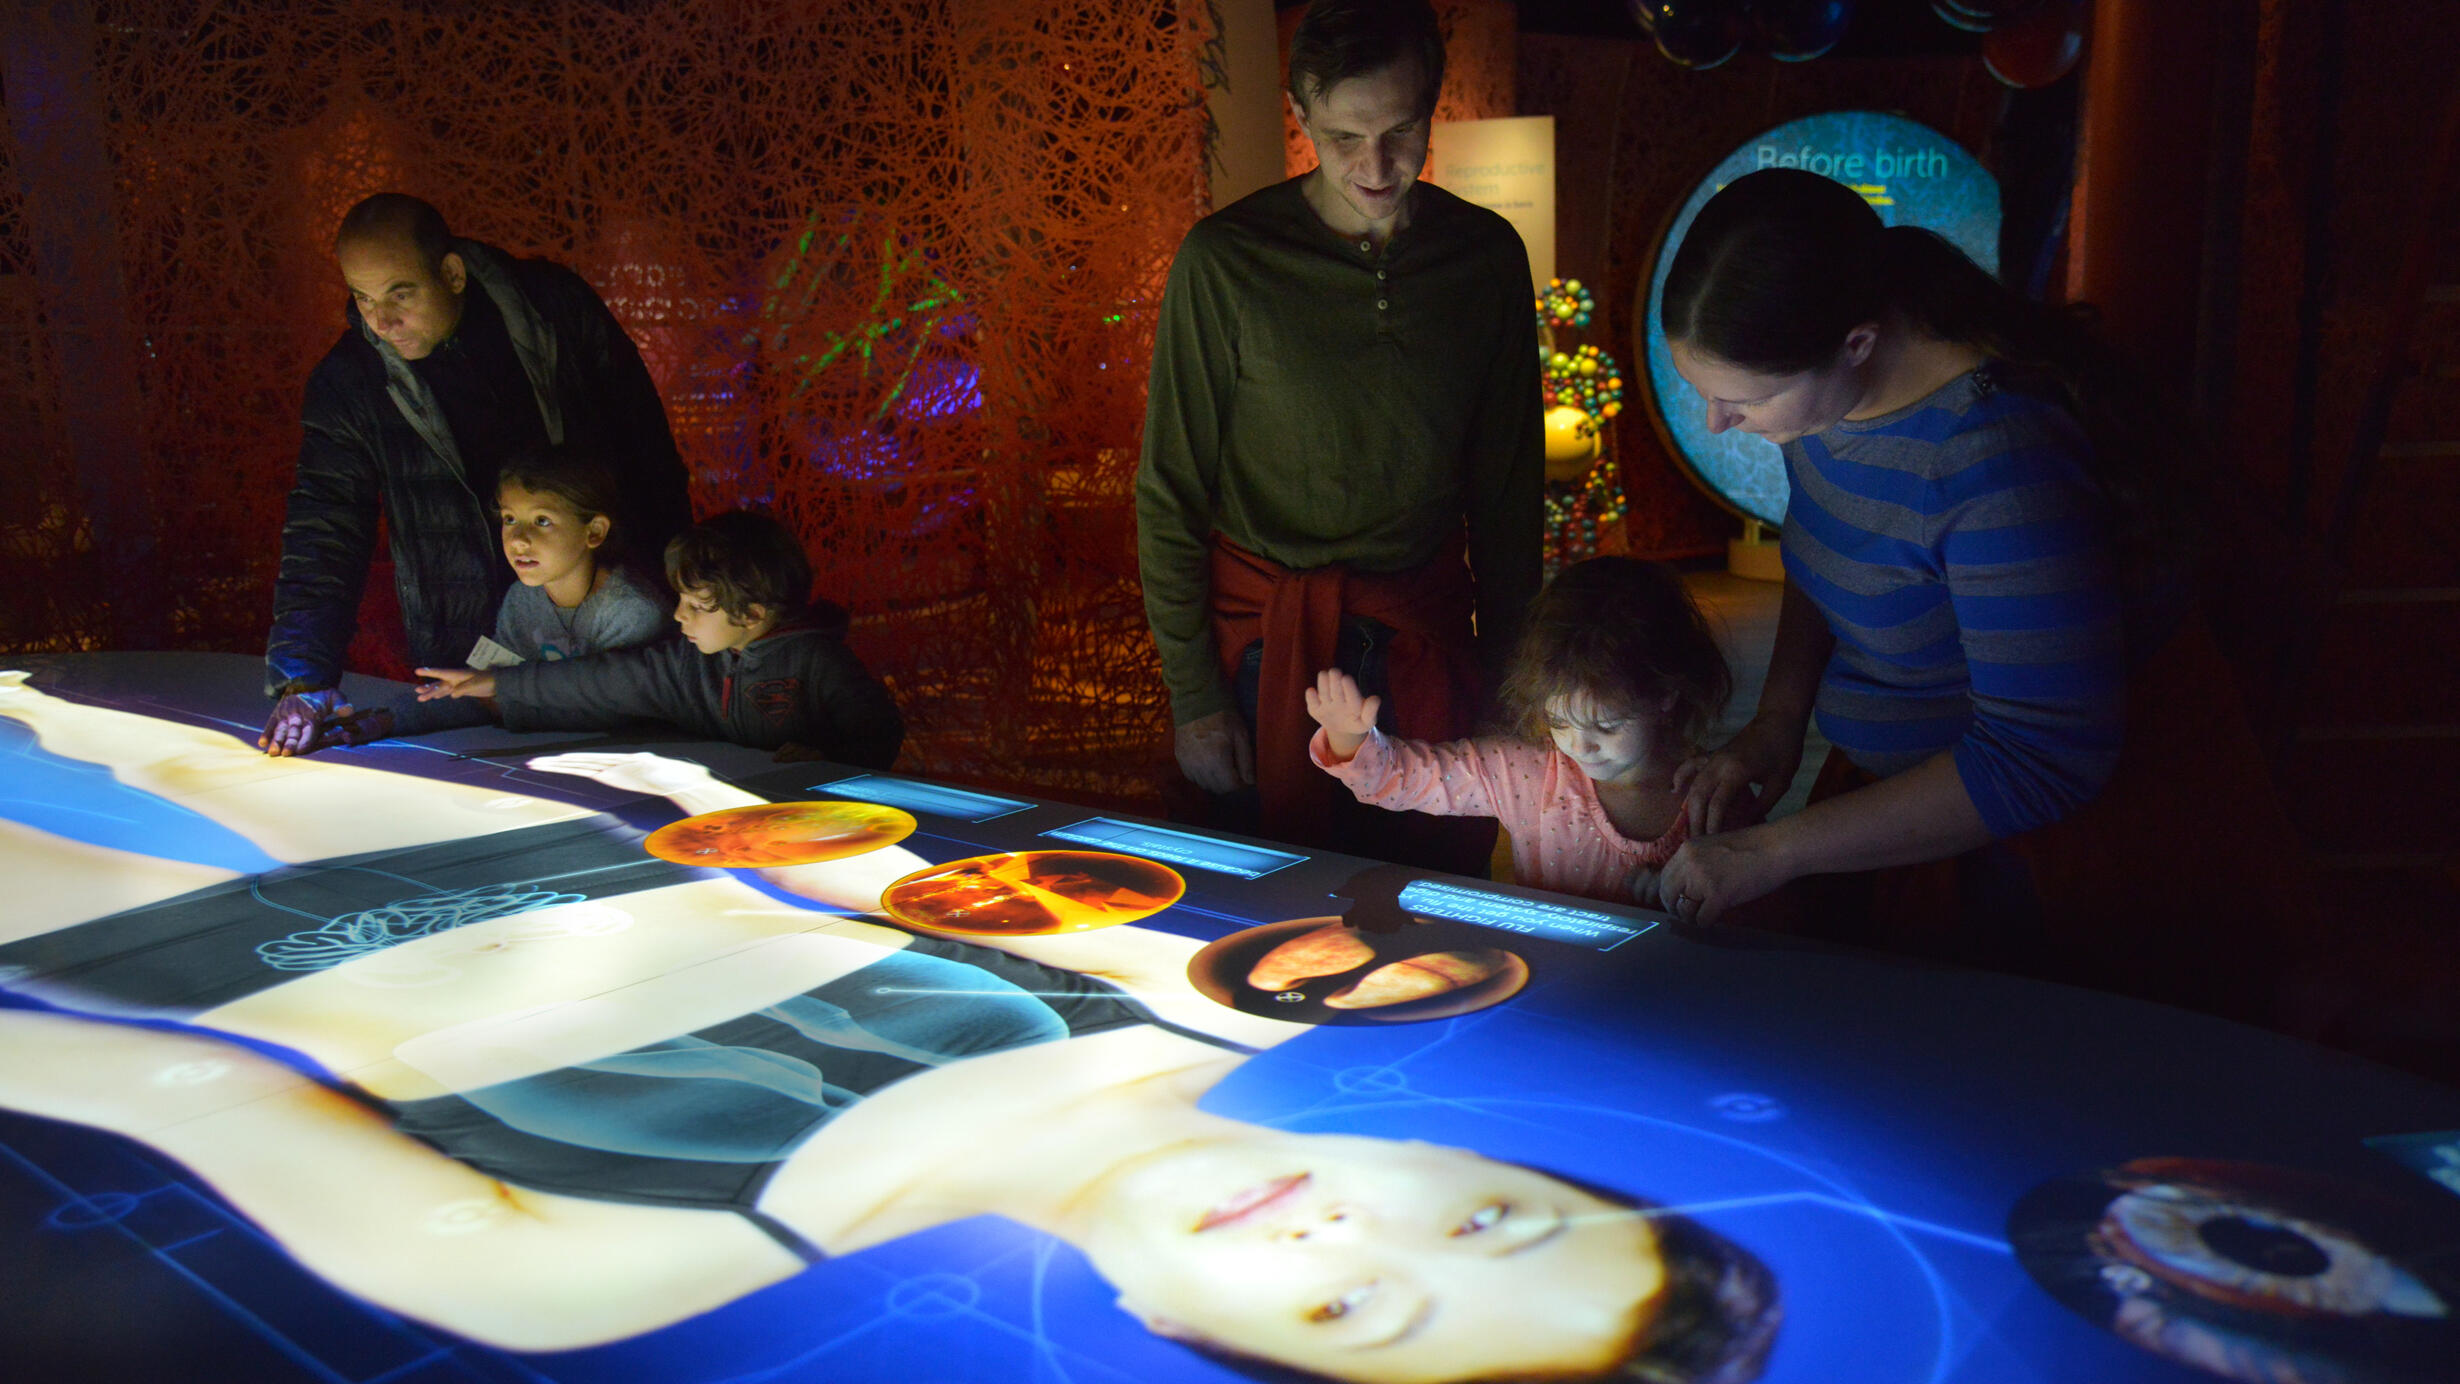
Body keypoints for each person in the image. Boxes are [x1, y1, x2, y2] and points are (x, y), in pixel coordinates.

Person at [0, 671, 1778, 1381]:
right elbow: (890, 893)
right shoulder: (1200, 1005)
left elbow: (190, 1090)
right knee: (170, 747)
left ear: (1196, 1328)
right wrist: (674, 790)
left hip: (210, 960)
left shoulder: (620, 1278)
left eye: (1356, 1306)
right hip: (561, 864)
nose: (1343, 1232)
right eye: (1485, 1215)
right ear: (1459, 1145)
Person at [1649, 169, 2293, 1018]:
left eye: (1744, 400)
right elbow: (1828, 549)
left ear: (1857, 342)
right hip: (1889, 811)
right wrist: (1777, 723)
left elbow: (2039, 759)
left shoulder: (1997, 465)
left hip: (2038, 867)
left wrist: (1771, 855)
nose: (1718, 425)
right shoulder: (1826, 408)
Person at [1135, 0, 1543, 875]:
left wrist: (1512, 683)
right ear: (1301, 113)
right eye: (1345, 135)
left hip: (1424, 636)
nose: (1378, 164)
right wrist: (1196, 697)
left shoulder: (1486, 257)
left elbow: (1510, 496)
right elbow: (1169, 492)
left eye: (1403, 129)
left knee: (1434, 905)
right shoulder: (1226, 260)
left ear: (1431, 105)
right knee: (1270, 905)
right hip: (1262, 657)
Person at [260, 193, 694, 756]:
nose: (381, 321)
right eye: (363, 298)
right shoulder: (351, 382)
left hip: (605, 613)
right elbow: (324, 529)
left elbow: (649, 453)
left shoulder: (553, 312)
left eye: (401, 293)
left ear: (452, 273)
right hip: (464, 632)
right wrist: (305, 682)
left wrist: (687, 597)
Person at [1305, 558, 1731, 906]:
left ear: (1667, 695)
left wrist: (1681, 901)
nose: (1579, 746)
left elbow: (1762, 925)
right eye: (1560, 722)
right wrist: (1351, 739)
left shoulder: (1712, 795)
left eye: (1607, 725)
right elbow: (1408, 779)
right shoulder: (1525, 773)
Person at [417, 510, 904, 768]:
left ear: (753, 613)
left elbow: (879, 729)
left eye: (695, 605)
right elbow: (601, 681)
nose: (677, 615)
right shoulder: (688, 664)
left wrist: (831, 762)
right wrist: (499, 685)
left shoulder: (818, 661)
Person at [300, 444, 676, 750]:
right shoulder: (522, 602)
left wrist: (501, 697)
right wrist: (389, 719)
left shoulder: (631, 612)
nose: (518, 539)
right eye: (510, 519)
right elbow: (485, 688)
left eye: (542, 521)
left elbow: (611, 712)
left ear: (593, 532)